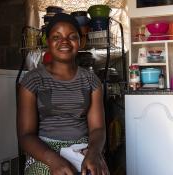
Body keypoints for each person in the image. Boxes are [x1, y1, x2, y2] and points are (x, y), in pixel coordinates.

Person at [17, 13, 109, 175]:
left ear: (81, 41)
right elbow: (25, 135)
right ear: (47, 42)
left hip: (83, 148)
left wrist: (94, 153)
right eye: (56, 37)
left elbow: (98, 128)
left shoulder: (91, 81)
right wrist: (53, 160)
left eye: (72, 36)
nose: (64, 41)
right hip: (43, 150)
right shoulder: (33, 80)